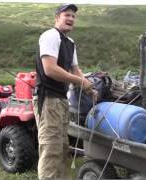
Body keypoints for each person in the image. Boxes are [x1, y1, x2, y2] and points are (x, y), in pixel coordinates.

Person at [33, 4, 97, 180]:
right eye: (66, 15)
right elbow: (50, 69)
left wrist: (89, 87)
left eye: (73, 16)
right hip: (48, 100)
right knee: (51, 150)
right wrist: (80, 81)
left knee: (62, 149)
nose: (70, 19)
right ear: (57, 17)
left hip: (61, 100)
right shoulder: (50, 36)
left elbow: (76, 70)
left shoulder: (70, 43)